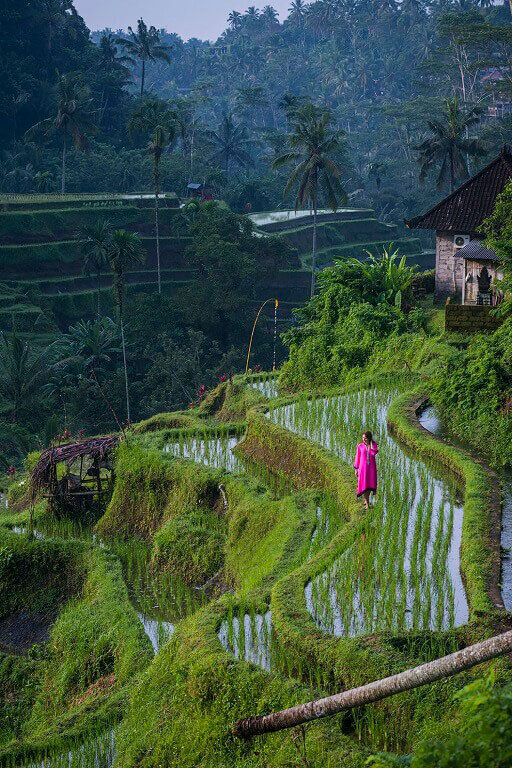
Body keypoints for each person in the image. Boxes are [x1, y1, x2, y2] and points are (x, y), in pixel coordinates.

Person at [354, 430, 378, 510]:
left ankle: (366, 499)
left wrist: (370, 444)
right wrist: (356, 469)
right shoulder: (360, 446)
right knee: (364, 486)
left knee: (370, 485)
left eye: (365, 438)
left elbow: (373, 453)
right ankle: (367, 503)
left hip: (371, 469)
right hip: (363, 469)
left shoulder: (374, 445)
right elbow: (357, 458)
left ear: (369, 438)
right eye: (363, 438)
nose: (364, 439)